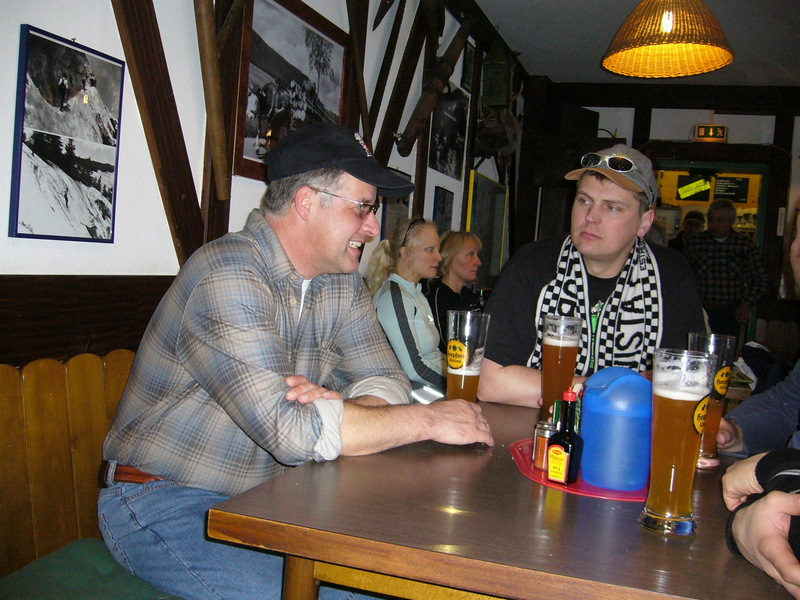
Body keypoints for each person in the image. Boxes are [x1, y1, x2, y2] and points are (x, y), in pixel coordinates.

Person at [99, 123, 493, 600]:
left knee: (410, 572)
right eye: (363, 208)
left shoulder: (340, 283)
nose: (373, 229)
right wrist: (428, 420)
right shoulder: (227, 273)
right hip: (161, 500)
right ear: (307, 202)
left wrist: (333, 413)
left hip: (273, 496)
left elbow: (390, 380)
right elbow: (292, 436)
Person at [478, 144, 706, 406]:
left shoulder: (670, 274)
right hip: (536, 426)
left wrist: (552, 386)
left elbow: (687, 381)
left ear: (644, 222)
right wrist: (615, 389)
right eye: (584, 200)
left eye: (612, 207)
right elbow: (489, 383)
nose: (591, 217)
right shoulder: (533, 263)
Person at [365, 217, 446, 395]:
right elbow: (414, 369)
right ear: (405, 253)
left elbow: (433, 355)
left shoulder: (416, 294)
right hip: (412, 394)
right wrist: (457, 386)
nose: (439, 257)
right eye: (429, 249)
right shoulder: (395, 297)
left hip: (429, 389)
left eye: (438, 250)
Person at [684, 198, 769, 339]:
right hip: (701, 309)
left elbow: (760, 278)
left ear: (731, 221)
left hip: (731, 311)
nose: (714, 225)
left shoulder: (743, 245)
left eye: (720, 221)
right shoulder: (696, 243)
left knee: (727, 349)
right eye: (711, 220)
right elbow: (684, 277)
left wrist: (748, 302)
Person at [424, 230, 483, 352]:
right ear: (449, 258)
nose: (478, 262)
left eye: (477, 255)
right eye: (470, 255)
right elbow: (445, 345)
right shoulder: (437, 296)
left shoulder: (469, 296)